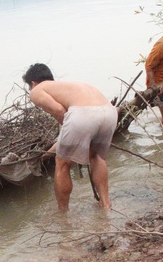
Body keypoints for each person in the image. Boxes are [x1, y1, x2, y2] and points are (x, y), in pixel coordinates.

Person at [22, 63, 117, 210]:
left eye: (29, 86)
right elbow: (66, 128)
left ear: (33, 83)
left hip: (83, 115)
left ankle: (63, 214)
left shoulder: (37, 91)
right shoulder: (67, 88)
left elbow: (60, 111)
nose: (31, 90)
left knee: (62, 163)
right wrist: (45, 154)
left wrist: (59, 151)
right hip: (109, 112)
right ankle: (106, 206)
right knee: (96, 157)